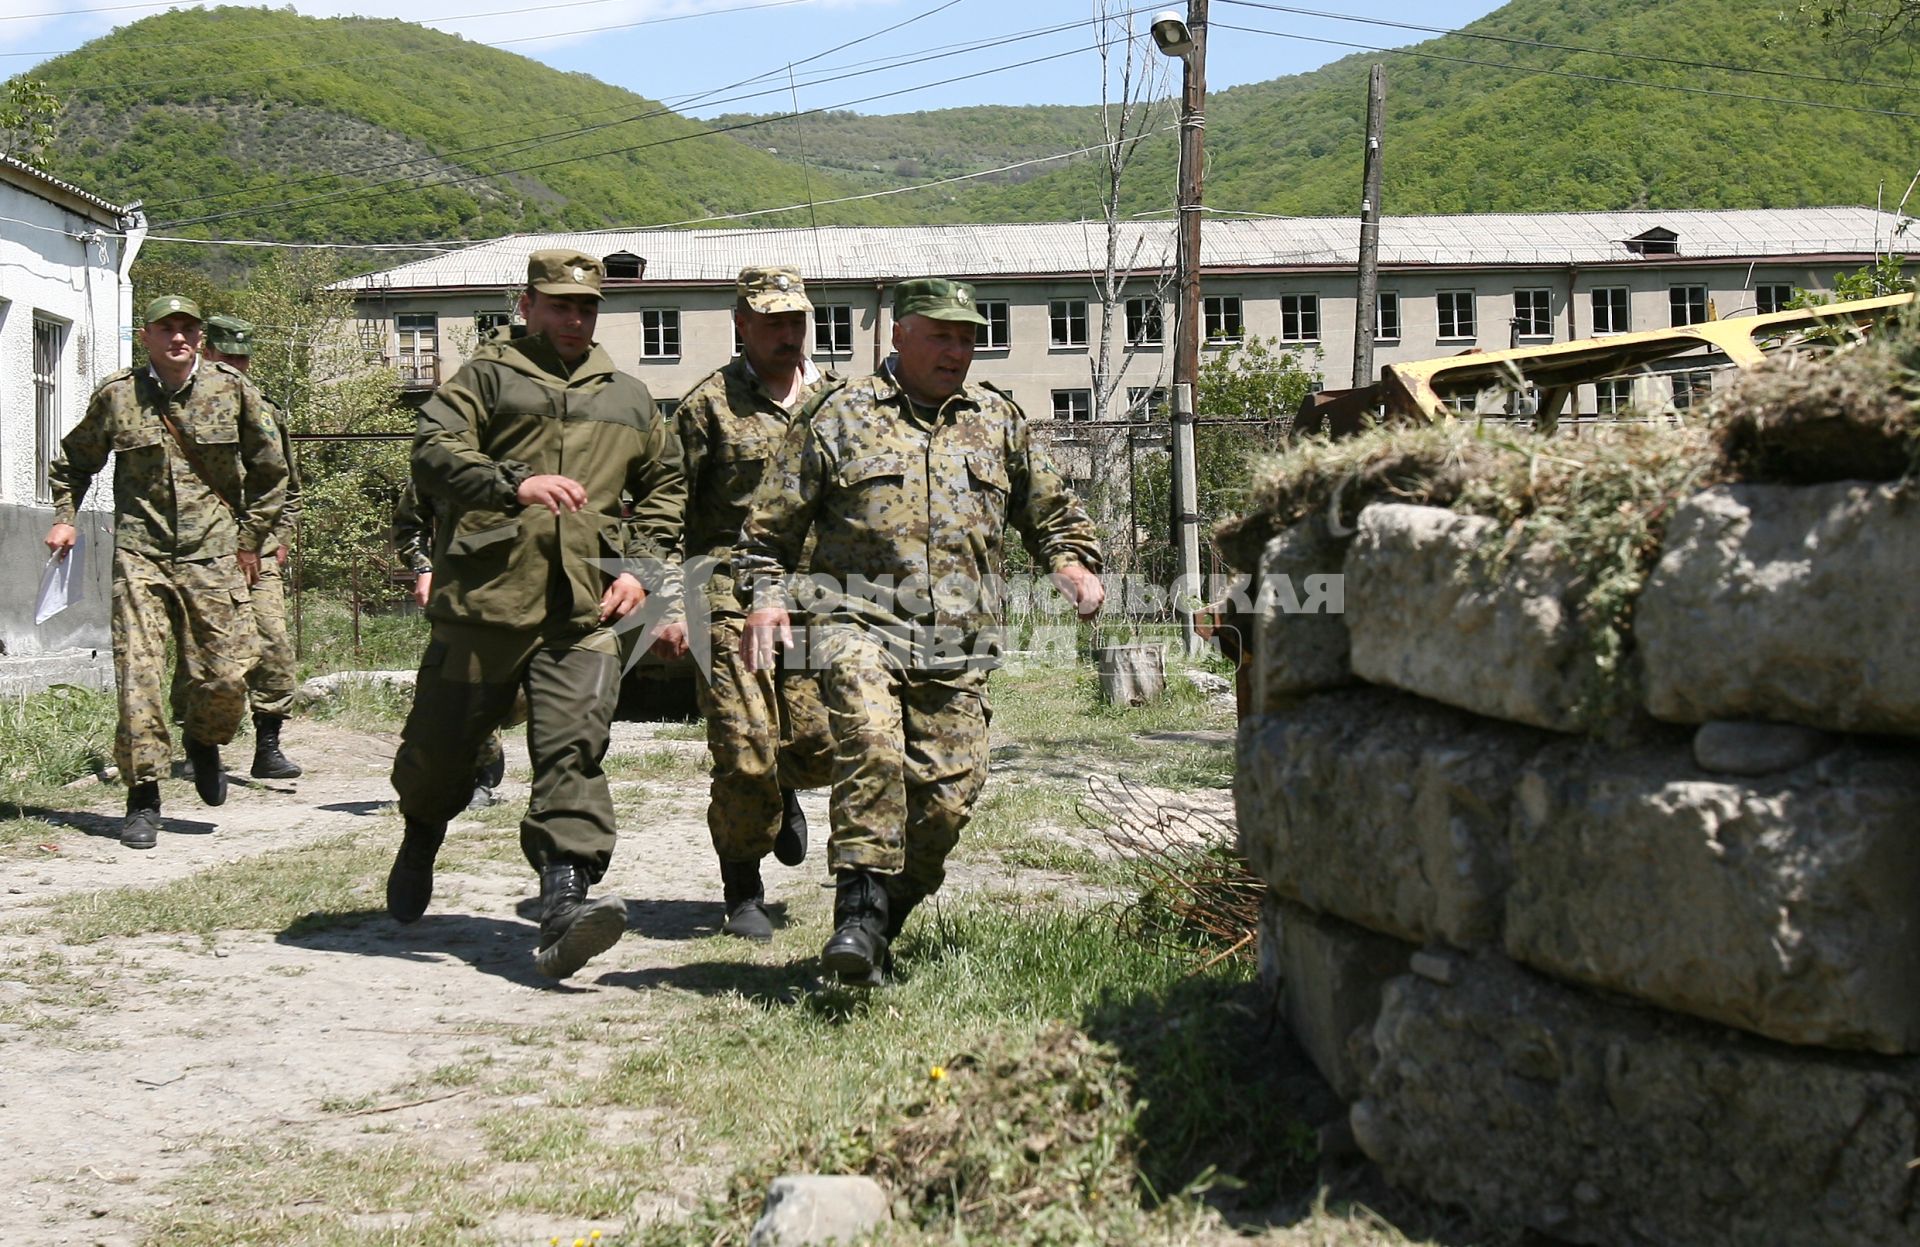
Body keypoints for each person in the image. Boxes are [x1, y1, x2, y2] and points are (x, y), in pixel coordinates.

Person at [734, 277, 1105, 985]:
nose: (957, 349)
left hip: (959, 646)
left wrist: (1071, 562)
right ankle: (857, 910)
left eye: (967, 336)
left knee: (945, 802)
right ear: (898, 334)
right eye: (941, 334)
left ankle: (876, 929)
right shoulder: (837, 415)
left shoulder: (998, 421)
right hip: (855, 625)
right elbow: (767, 533)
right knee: (871, 744)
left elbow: (1053, 512)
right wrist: (767, 598)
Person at [386, 249, 686, 982]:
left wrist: (644, 573)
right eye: (559, 304)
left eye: (585, 307)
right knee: (441, 752)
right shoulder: (486, 378)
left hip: (583, 610)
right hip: (486, 603)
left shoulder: (629, 396)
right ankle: (423, 827)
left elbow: (666, 487)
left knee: (573, 748)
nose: (574, 318)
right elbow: (431, 452)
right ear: (527, 305)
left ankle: (564, 899)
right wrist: (510, 483)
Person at [44, 295, 288, 849]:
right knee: (139, 679)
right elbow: (74, 463)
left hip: (214, 553)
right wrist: (66, 518)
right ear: (145, 336)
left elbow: (272, 472)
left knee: (226, 676)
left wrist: (250, 539)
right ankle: (144, 797)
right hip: (141, 555)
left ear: (200, 337)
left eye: (187, 328)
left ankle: (203, 740)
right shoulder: (118, 396)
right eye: (166, 328)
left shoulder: (234, 389)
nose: (177, 337)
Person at [660, 265, 836, 944]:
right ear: (742, 325)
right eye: (773, 322)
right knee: (744, 749)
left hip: (815, 596)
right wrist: (670, 604)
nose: (788, 333)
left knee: (819, 745)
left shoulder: (834, 399)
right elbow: (666, 511)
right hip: (729, 596)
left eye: (796, 320)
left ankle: (781, 789)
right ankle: (743, 888)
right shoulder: (709, 406)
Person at [202, 313, 304, 781]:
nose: (236, 367)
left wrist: (280, 538)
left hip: (257, 547)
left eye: (242, 357)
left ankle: (268, 746)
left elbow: (291, 488)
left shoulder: (265, 409)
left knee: (272, 643)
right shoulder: (186, 403)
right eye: (227, 357)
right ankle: (203, 747)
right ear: (208, 353)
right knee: (206, 651)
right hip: (201, 546)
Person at [392, 479, 510, 809]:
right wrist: (423, 567)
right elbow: (409, 519)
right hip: (460, 589)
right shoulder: (445, 461)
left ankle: (489, 757)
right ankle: (482, 774)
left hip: (523, 586)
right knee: (464, 680)